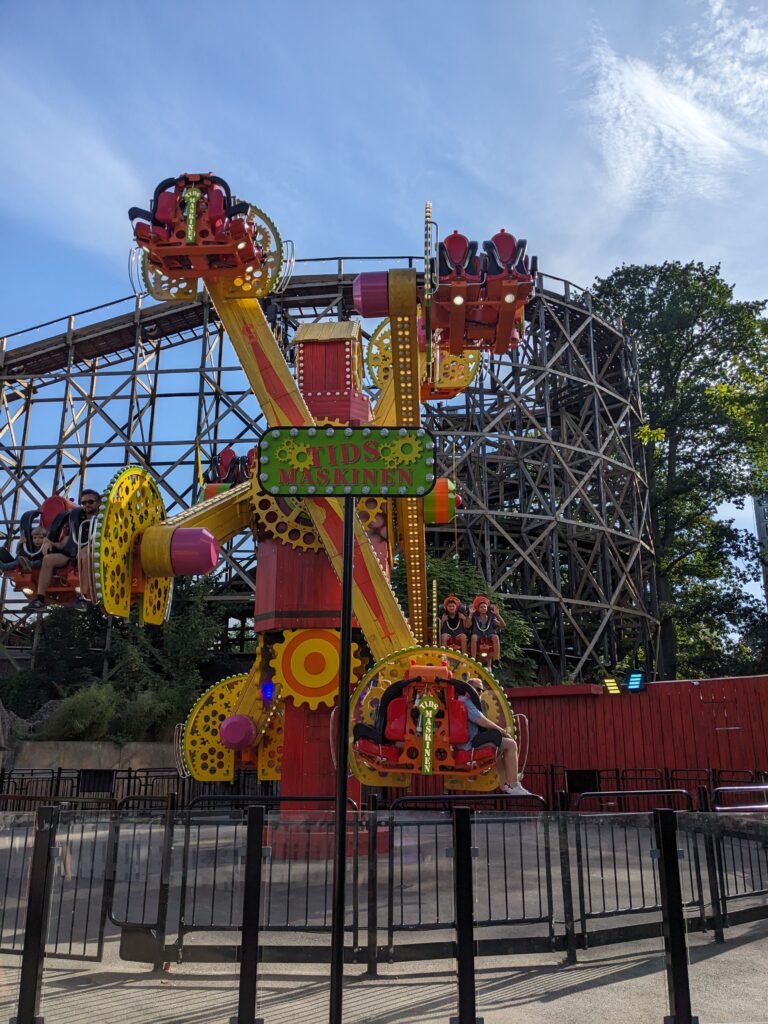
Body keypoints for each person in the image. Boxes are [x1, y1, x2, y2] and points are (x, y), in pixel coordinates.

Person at [24, 489, 101, 613]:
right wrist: (51, 542)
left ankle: (83, 597)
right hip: (73, 552)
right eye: (84, 503)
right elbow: (66, 541)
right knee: (48, 559)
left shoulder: (104, 518)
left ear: (98, 503)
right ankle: (40, 599)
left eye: (90, 502)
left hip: (97, 552)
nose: (87, 505)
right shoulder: (76, 518)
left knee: (84, 554)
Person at [457, 678, 531, 797]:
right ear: (469, 690)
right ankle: (514, 784)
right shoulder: (467, 703)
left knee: (499, 750)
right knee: (511, 744)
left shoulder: (462, 701)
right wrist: (503, 731)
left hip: (467, 741)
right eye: (478, 690)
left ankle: (507, 782)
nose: (480, 693)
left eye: (482, 691)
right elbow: (483, 722)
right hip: (469, 744)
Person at [467, 595, 506, 664]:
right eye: (481, 607)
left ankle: (496, 659)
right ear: (478, 609)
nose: (483, 608)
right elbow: (467, 626)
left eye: (484, 607)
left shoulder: (491, 617)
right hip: (478, 634)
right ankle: (473, 659)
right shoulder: (475, 617)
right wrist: (470, 615)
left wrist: (497, 615)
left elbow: (503, 625)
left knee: (495, 637)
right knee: (473, 637)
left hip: (489, 634)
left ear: (487, 608)